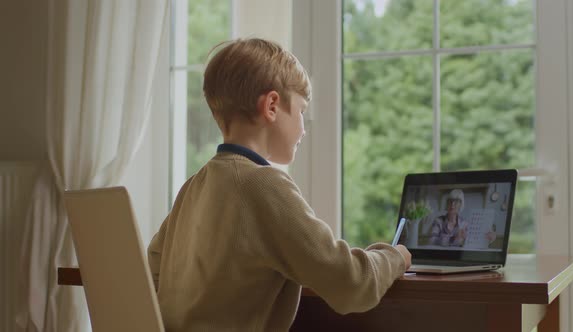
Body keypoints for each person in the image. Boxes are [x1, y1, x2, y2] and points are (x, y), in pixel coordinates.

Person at [147, 38, 412, 331]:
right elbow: (351, 285)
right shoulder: (264, 185)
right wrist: (394, 256)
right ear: (272, 105)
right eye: (301, 111)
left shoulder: (194, 186)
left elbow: (154, 265)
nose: (303, 127)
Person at [429, 189, 496, 247]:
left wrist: (489, 239)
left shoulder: (465, 224)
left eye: (457, 201)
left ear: (461, 205)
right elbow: (432, 240)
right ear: (447, 203)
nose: (452, 204)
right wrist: (453, 238)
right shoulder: (438, 221)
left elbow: (475, 241)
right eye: (450, 201)